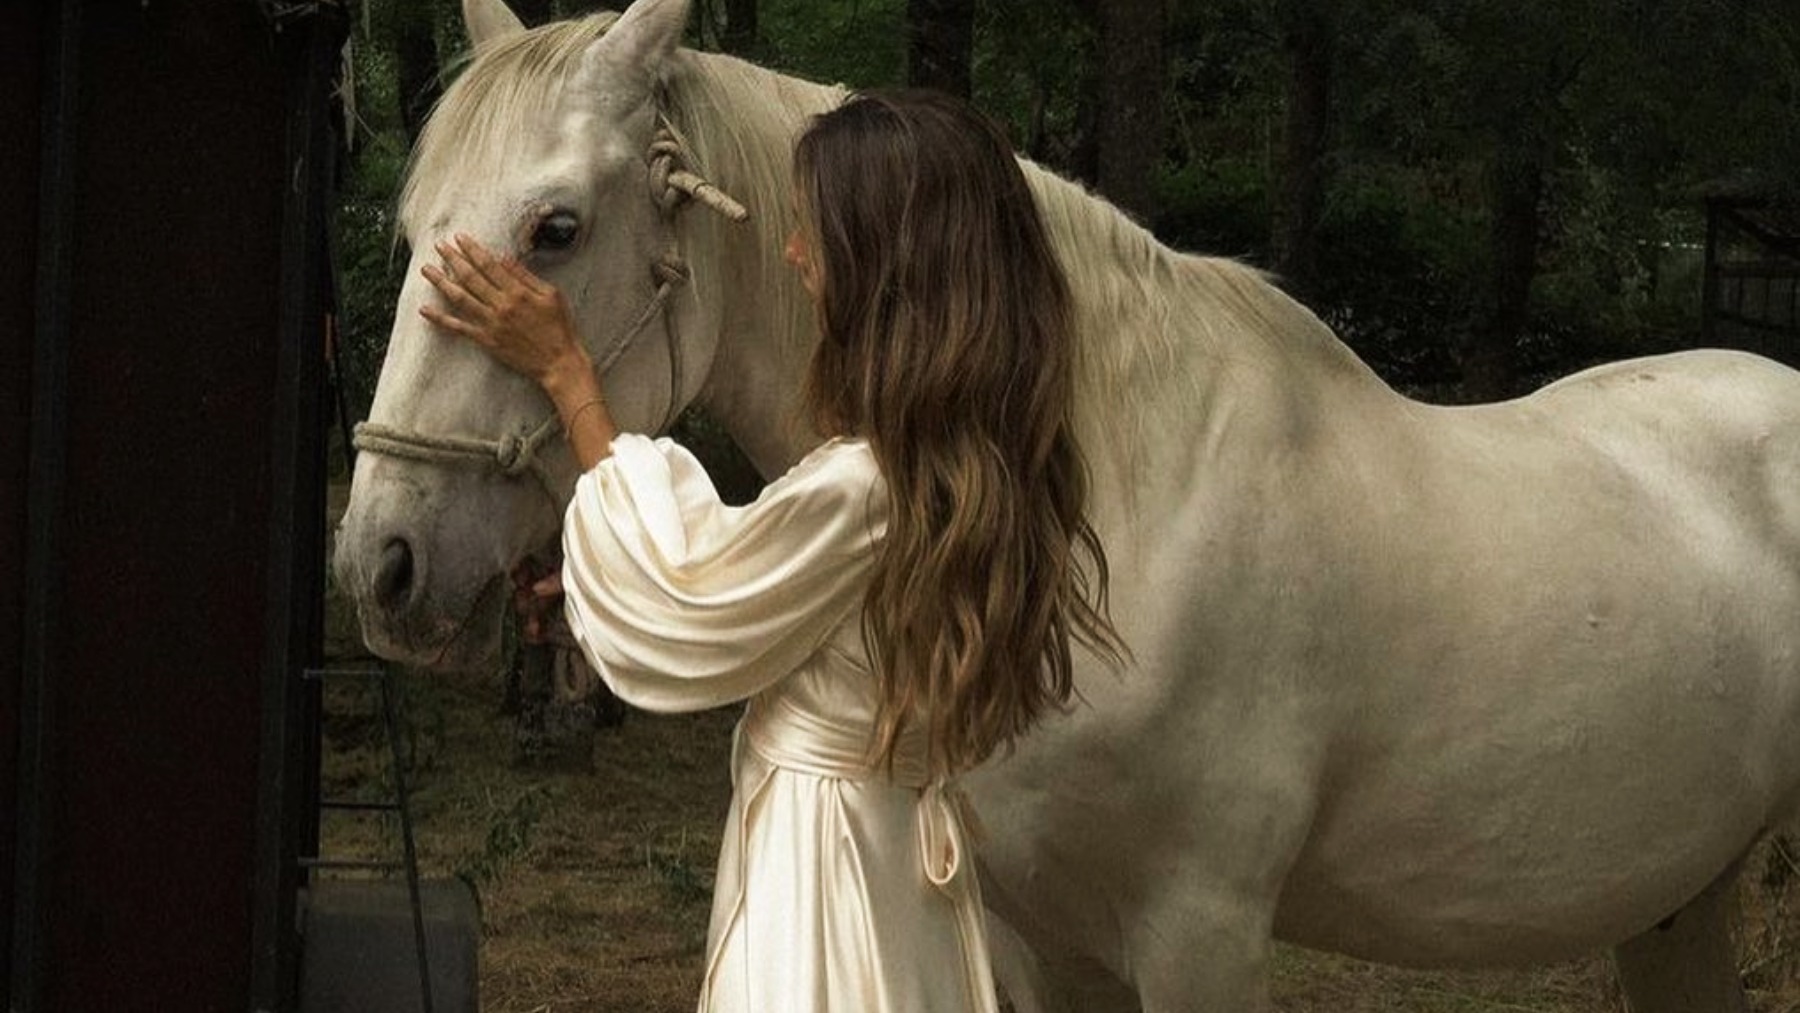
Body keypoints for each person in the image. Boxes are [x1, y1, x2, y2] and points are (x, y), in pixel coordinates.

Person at [420, 89, 1125, 1013]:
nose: (792, 254)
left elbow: (684, 592)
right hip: (896, 881)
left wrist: (567, 374)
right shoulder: (968, 467)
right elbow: (794, 616)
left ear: (884, 265)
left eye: (814, 235)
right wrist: (595, 580)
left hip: (828, 888)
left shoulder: (868, 487)